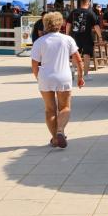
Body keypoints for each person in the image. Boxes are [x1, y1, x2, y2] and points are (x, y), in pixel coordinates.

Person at [30, 12, 84, 149]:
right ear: (60, 24)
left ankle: (54, 138)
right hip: (63, 76)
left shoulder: (39, 42)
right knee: (65, 107)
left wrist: (38, 77)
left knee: (49, 110)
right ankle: (60, 130)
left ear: (45, 24)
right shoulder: (67, 39)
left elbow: (34, 64)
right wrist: (80, 77)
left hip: (45, 77)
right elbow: (78, 60)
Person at [66, 0, 102, 81]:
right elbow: (96, 26)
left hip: (75, 37)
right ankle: (85, 75)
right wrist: (100, 36)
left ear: (80, 3)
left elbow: (68, 24)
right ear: (88, 3)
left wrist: (67, 35)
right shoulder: (91, 13)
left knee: (75, 54)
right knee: (87, 55)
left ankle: (72, 71)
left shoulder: (74, 12)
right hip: (87, 37)